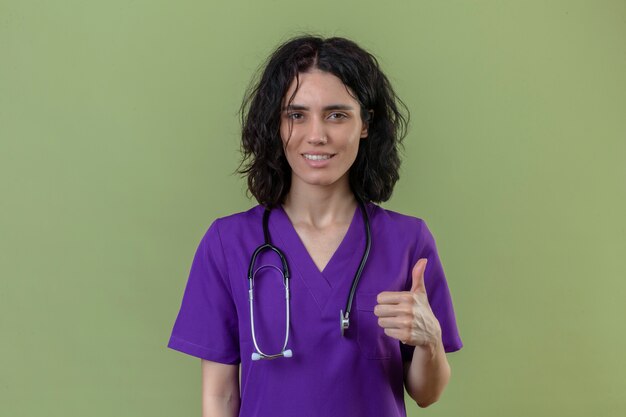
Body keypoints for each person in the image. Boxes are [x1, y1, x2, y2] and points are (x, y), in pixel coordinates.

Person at [167, 34, 462, 417]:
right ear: (276, 123)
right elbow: (220, 397)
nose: (316, 135)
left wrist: (430, 340)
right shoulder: (228, 243)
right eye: (296, 114)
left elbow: (426, 393)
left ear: (365, 124)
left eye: (337, 115)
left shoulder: (407, 241)